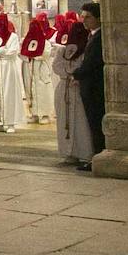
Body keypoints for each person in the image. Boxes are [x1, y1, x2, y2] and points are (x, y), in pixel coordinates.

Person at [53, 20, 95, 166]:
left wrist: (74, 75)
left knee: (80, 120)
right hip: (65, 87)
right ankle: (68, 152)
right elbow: (56, 66)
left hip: (78, 87)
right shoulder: (62, 50)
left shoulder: (86, 50)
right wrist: (70, 74)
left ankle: (84, 152)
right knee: (64, 120)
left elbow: (85, 66)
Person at [73, 2, 104, 171]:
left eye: (88, 17)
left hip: (95, 87)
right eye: (82, 17)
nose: (84, 20)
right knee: (93, 123)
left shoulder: (99, 37)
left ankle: (99, 157)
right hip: (89, 86)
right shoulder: (92, 36)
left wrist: (76, 74)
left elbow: (92, 62)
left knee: (97, 122)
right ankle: (96, 156)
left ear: (98, 18)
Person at [21, 13, 57, 124]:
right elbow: (21, 52)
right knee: (29, 89)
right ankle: (34, 113)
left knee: (43, 90)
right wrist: (27, 56)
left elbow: (46, 54)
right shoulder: (25, 41)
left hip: (40, 68)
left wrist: (35, 56)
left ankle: (44, 114)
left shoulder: (45, 42)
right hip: (29, 66)